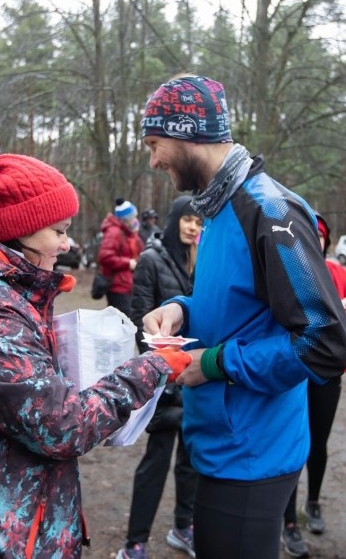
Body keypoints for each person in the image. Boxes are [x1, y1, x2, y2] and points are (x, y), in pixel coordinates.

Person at [0, 130, 190, 558]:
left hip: (12, 526)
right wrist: (153, 366)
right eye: (57, 230)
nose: (67, 242)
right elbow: (61, 426)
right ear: (18, 231)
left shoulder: (5, 296)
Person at [140, 74, 346, 559]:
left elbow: (325, 341)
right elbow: (242, 308)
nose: (153, 160)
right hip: (221, 442)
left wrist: (216, 364)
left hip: (253, 454)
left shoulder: (269, 211)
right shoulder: (217, 211)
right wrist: (181, 308)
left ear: (187, 132)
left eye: (155, 144)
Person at [117, 196, 203, 559]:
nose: (192, 227)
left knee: (190, 461)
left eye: (198, 222)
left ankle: (183, 528)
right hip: (164, 380)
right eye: (186, 219)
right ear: (173, 221)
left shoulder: (203, 261)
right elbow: (140, 322)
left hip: (196, 377)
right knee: (156, 461)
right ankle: (134, 543)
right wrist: (161, 366)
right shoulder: (150, 260)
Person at [280, 213, 346, 557]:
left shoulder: (338, 273)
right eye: (308, 234)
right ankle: (288, 520)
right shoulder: (284, 268)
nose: (314, 240)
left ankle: (313, 502)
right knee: (291, 442)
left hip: (329, 373)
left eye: (319, 235)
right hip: (293, 369)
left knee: (319, 441)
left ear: (326, 240)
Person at [98, 198, 143, 317]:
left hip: (126, 285)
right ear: (126, 219)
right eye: (133, 217)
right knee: (122, 322)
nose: (135, 220)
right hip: (118, 287)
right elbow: (105, 257)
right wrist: (128, 263)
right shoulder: (114, 232)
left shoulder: (127, 232)